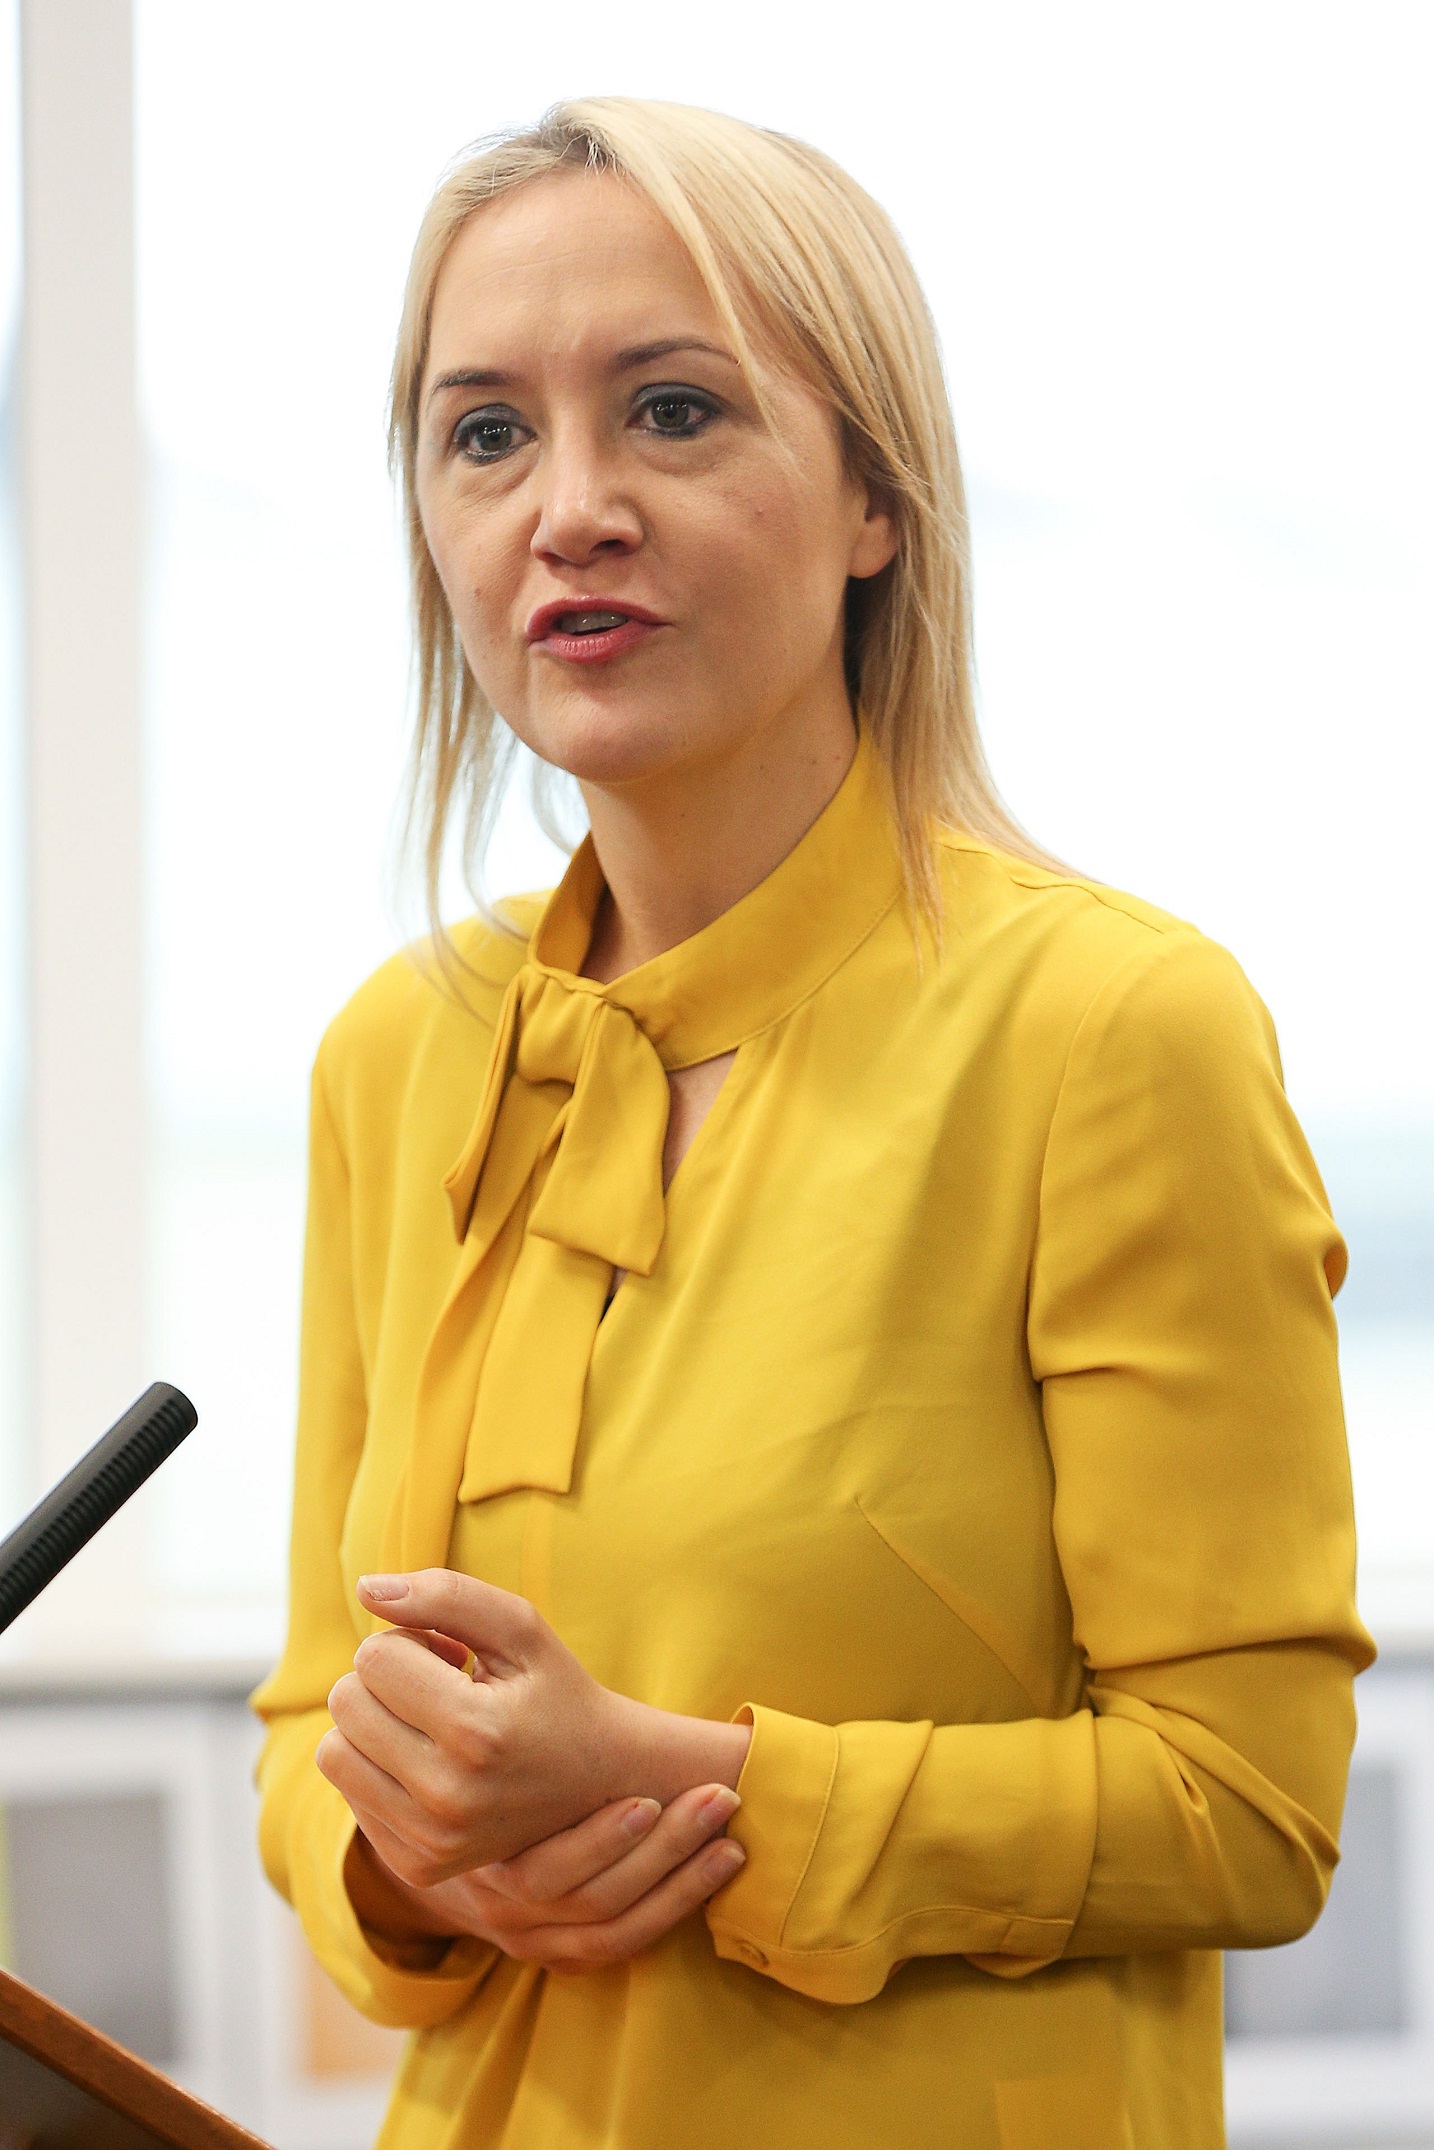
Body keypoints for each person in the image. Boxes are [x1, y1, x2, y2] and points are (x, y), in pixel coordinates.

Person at [251, 97, 1373, 2150]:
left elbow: (1254, 1803)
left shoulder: (1115, 1028)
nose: (565, 508)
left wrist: (697, 1794)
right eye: (483, 432)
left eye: (672, 412)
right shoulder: (391, 1056)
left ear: (876, 500)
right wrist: (411, 1857)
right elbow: (318, 1719)